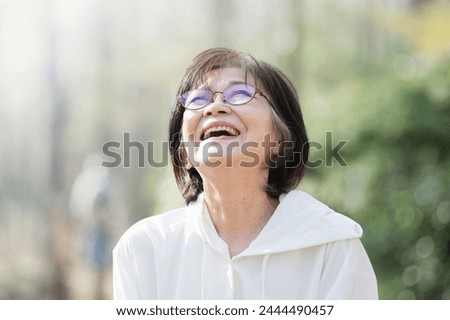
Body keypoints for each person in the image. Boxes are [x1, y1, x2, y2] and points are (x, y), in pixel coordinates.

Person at [112, 48, 378, 299]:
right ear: (184, 154)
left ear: (281, 141)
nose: (215, 107)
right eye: (198, 99)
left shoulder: (333, 248)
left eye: (240, 93)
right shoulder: (144, 250)